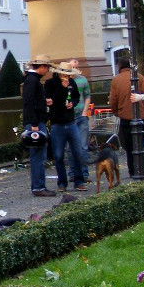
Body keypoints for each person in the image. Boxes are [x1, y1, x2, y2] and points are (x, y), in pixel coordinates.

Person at [44, 62, 86, 192]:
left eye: (68, 75)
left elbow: (76, 98)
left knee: (77, 152)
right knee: (59, 155)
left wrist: (72, 103)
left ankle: (79, 180)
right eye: (64, 75)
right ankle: (62, 182)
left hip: (71, 122)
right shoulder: (50, 83)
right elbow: (51, 101)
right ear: (59, 73)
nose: (66, 78)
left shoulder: (72, 83)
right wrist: (62, 88)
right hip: (57, 123)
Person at [108, 58, 144, 177]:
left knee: (128, 146)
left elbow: (113, 100)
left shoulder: (116, 80)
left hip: (125, 117)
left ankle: (132, 170)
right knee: (141, 145)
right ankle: (142, 168)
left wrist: (117, 112)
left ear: (120, 67)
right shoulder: (140, 77)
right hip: (140, 116)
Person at [22, 54, 56, 197]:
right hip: (34, 123)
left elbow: (32, 101)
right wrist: (34, 123)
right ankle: (38, 187)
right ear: (42, 67)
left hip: (34, 121)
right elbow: (29, 102)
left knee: (38, 155)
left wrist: (43, 101)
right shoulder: (32, 81)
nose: (47, 71)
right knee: (38, 156)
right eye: (47, 67)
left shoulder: (31, 80)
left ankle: (38, 186)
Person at [69, 59, 92, 183]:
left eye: (75, 68)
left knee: (83, 147)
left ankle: (84, 173)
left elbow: (88, 96)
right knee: (69, 148)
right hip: (69, 117)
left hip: (81, 116)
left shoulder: (82, 80)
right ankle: (72, 173)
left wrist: (84, 112)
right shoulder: (64, 81)